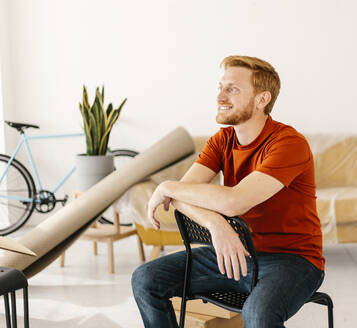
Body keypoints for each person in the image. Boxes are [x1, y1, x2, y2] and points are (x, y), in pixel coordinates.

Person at [131, 55, 325, 328]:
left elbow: (234, 202)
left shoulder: (289, 143)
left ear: (262, 99)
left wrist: (166, 186)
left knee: (257, 314)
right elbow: (180, 197)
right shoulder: (222, 140)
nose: (220, 96)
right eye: (220, 87)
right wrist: (216, 225)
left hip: (293, 259)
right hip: (235, 253)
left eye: (232, 89)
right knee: (146, 280)